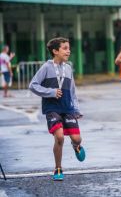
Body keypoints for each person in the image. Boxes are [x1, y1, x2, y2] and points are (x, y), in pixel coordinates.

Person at [29, 37, 85, 181]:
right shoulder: (47, 67)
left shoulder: (68, 68)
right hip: (52, 108)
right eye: (65, 48)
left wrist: (76, 109)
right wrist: (51, 92)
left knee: (77, 138)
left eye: (69, 48)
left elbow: (72, 90)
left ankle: (76, 146)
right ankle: (58, 168)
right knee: (59, 137)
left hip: (67, 108)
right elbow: (33, 85)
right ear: (55, 51)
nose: (69, 51)